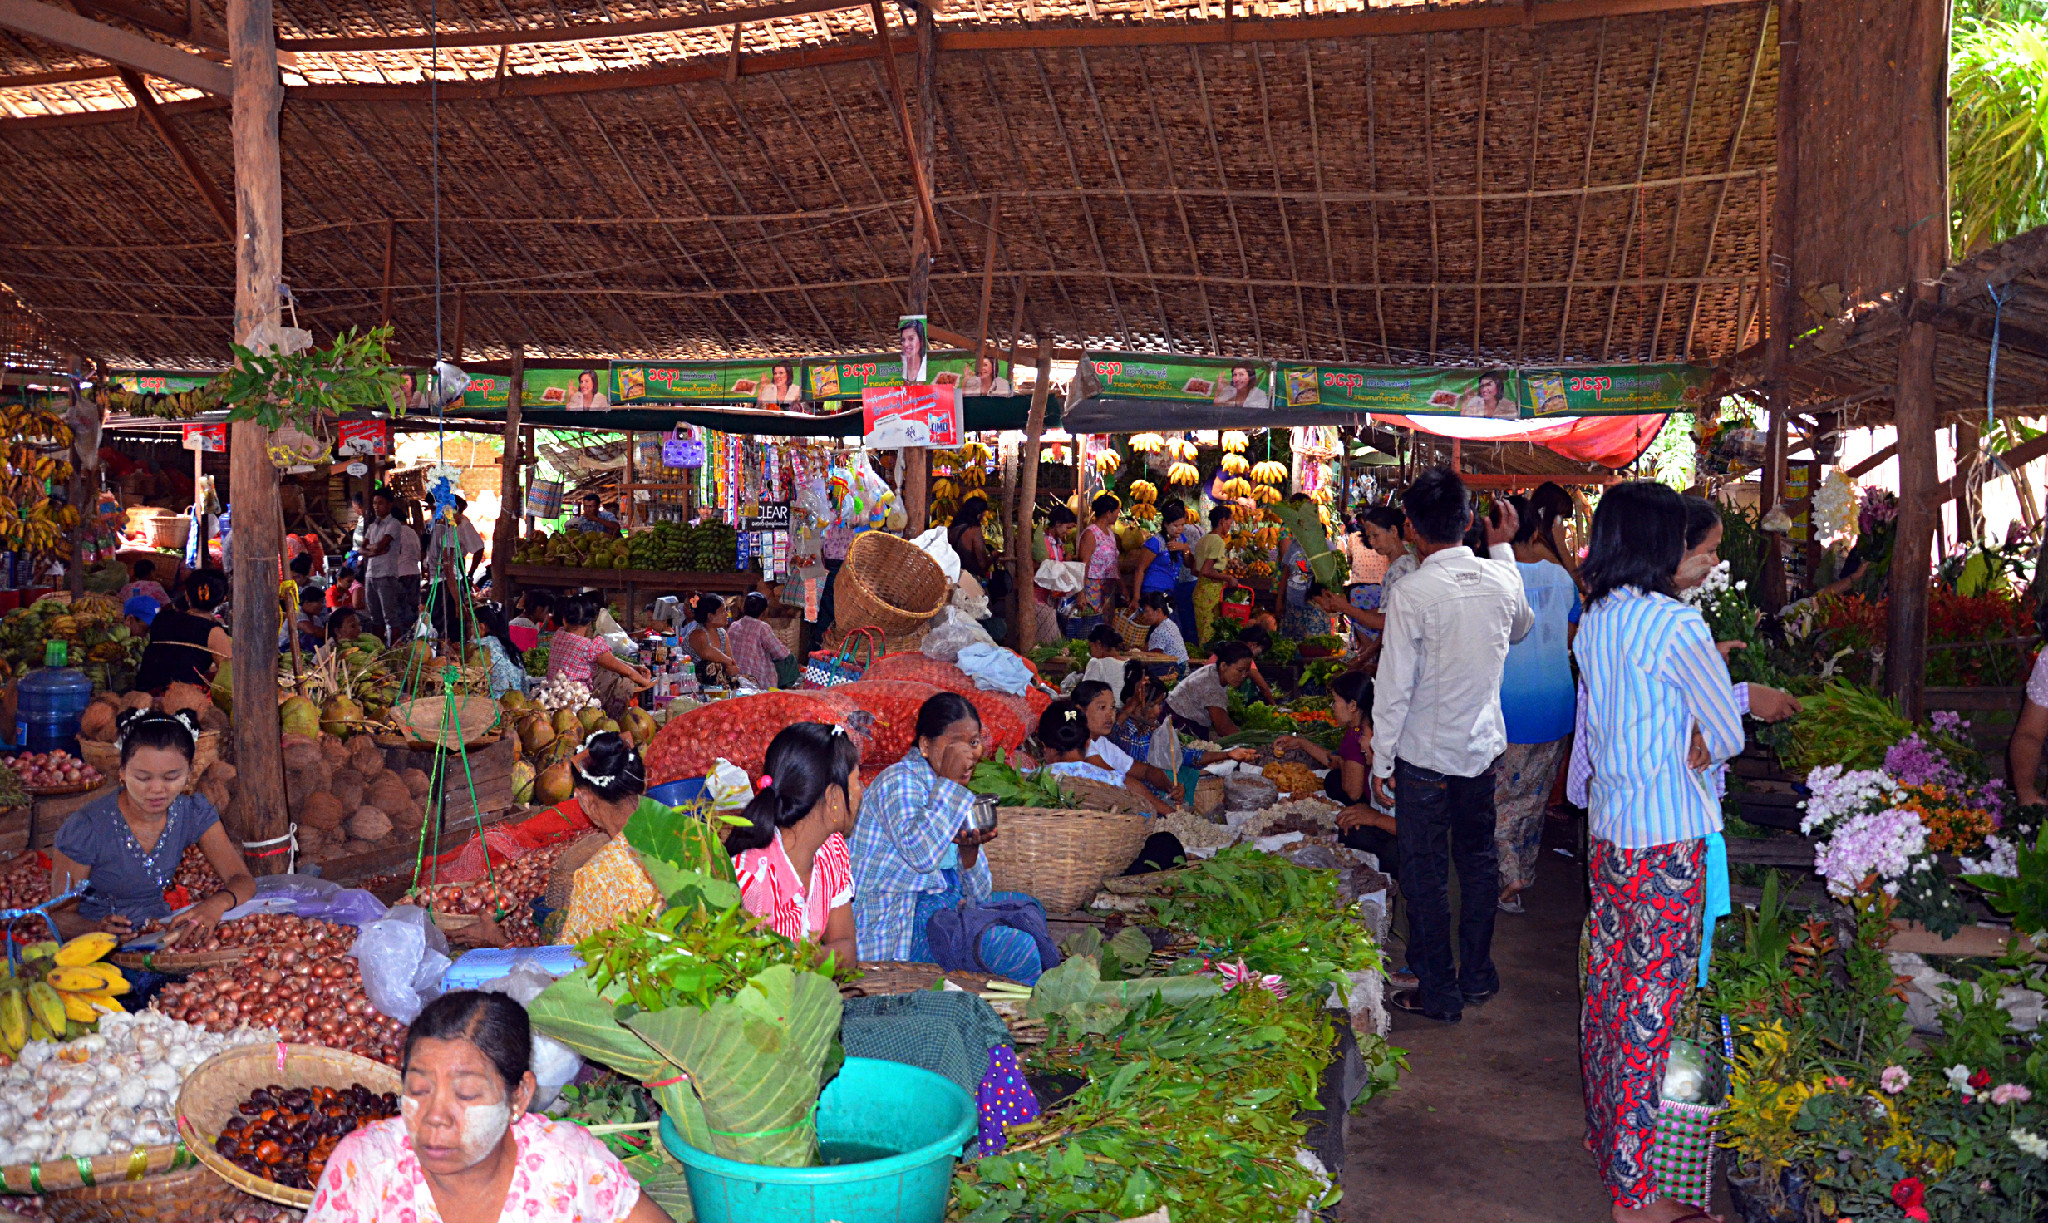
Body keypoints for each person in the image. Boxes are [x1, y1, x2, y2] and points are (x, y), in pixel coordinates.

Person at [1569, 482, 1745, 1223]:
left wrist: (1691, 731)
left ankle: (1612, 1141)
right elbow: (1727, 732)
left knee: (1610, 995)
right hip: (1669, 841)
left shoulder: (1595, 623)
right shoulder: (1676, 627)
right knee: (1654, 1004)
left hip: (1610, 835)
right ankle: (1638, 1198)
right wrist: (1703, 735)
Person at [1369, 467, 1532, 1024]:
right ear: (1469, 521)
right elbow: (1521, 629)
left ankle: (1440, 990)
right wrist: (1504, 552)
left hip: (1423, 759)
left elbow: (1393, 687)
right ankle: (1478, 975)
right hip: (1480, 753)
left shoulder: (1412, 593)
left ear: (1411, 528)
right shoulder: (1501, 581)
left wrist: (1380, 759)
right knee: (1478, 861)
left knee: (1426, 872)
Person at [305, 990, 670, 1223]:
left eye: (465, 1095)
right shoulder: (368, 1167)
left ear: (519, 1096)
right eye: (418, 1089)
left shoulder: (568, 1164)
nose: (435, 1117)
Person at [853, 694, 1050, 982]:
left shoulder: (953, 793)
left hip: (943, 909)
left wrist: (969, 855)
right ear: (925, 745)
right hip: (903, 922)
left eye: (973, 743)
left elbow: (978, 897)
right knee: (1016, 950)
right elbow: (921, 856)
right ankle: (1020, 1017)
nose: (967, 753)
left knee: (1030, 910)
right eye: (954, 743)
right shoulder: (898, 782)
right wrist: (948, 782)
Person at [49, 710, 255, 941]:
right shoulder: (87, 828)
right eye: (143, 778)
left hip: (159, 934)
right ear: (123, 772)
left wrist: (216, 904)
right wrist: (95, 929)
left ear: (189, 773)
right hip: (98, 951)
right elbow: (57, 917)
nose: (157, 789)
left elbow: (242, 879)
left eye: (170, 777)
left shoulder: (192, 812)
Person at [1490, 494, 1582, 915]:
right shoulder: (1563, 578)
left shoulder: (1492, 575)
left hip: (1509, 708)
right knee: (1534, 800)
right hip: (1558, 703)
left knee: (1498, 801)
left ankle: (1511, 878)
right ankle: (1520, 874)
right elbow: (1569, 641)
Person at [728, 722, 860, 965]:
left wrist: (793, 962)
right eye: (856, 783)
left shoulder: (832, 850)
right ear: (833, 798)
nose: (860, 792)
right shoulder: (752, 877)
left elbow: (847, 950)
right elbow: (744, 974)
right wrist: (815, 961)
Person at [1106, 666, 1257, 800]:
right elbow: (1112, 732)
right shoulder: (1122, 730)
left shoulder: (1155, 731)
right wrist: (1131, 703)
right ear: (1134, 705)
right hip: (1130, 799)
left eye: (1160, 704)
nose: (1158, 711)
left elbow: (1186, 755)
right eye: (1153, 705)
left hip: (1157, 797)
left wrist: (1228, 754)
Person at [1059, 685, 1174, 814]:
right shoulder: (1077, 746)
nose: (1110, 715)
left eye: (1112, 707)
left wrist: (1170, 788)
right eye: (1102, 707)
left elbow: (1145, 770)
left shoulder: (1102, 742)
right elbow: (1121, 782)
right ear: (1080, 711)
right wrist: (1169, 813)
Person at [547, 597, 652, 717]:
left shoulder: (558, 635)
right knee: (625, 682)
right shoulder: (590, 647)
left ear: (564, 620)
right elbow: (627, 672)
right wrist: (645, 681)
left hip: (553, 696)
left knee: (606, 671)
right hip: (577, 703)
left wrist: (633, 666)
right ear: (589, 623)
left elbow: (610, 660)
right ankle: (613, 719)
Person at [134, 569, 232, 693]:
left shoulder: (162, 618)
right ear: (223, 599)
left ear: (186, 595)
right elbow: (228, 675)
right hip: (182, 702)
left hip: (144, 696)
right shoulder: (214, 632)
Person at [361, 487, 423, 644]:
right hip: (371, 574)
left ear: (389, 505)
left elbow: (381, 546)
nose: (376, 507)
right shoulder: (372, 526)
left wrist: (375, 549)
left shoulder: (394, 524)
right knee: (375, 616)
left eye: (380, 503)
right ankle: (378, 648)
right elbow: (364, 549)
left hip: (387, 574)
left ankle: (396, 648)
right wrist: (374, 550)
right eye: (374, 503)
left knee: (391, 616)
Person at [1166, 641, 1256, 737]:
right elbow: (1222, 727)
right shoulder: (1210, 684)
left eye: (1247, 671)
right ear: (1223, 666)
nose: (1243, 676)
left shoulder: (1214, 670)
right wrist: (1247, 739)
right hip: (1177, 724)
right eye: (1240, 670)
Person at [1071, 494, 1122, 636]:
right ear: (1108, 513)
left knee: (1105, 625)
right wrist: (1081, 593)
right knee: (1092, 624)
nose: (1118, 516)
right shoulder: (1090, 534)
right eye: (1117, 512)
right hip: (1092, 586)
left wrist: (1122, 587)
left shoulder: (1110, 535)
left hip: (1107, 588)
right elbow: (1084, 563)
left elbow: (1114, 563)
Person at [1030, 504, 1079, 647]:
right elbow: (1034, 566)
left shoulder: (1059, 544)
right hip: (1038, 598)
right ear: (1057, 524)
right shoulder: (1042, 542)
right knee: (1051, 640)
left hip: (1052, 599)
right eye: (1067, 527)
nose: (1068, 532)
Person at [726, 591, 792, 690]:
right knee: (790, 660)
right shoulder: (762, 627)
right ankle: (786, 689)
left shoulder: (734, 625)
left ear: (744, 608)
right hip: (757, 682)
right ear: (765, 611)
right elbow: (782, 654)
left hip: (735, 677)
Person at [1191, 504, 1234, 644]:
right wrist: (1228, 578)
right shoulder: (1217, 541)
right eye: (1230, 521)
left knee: (1203, 636)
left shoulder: (1204, 539)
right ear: (1222, 521)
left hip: (1200, 591)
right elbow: (1205, 570)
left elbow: (1195, 570)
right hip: (1210, 594)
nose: (1230, 525)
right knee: (1209, 638)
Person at [680, 593, 741, 688]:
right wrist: (727, 661)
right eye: (722, 611)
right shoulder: (698, 634)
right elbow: (707, 653)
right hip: (694, 683)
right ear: (710, 616)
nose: (726, 614)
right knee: (711, 666)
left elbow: (731, 661)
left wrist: (730, 666)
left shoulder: (722, 633)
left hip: (720, 682)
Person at [473, 604, 531, 701]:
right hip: (520, 703)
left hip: (493, 706)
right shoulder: (511, 647)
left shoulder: (478, 646)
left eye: (472, 624)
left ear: (481, 627)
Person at [428, 497, 485, 585]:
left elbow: (479, 548)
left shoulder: (463, 525)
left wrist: (470, 575)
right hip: (438, 571)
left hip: (453, 568)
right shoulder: (440, 524)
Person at [1135, 590, 1186, 665]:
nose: (1144, 616)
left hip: (1174, 669)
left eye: (1146, 612)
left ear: (1158, 611)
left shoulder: (1160, 631)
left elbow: (1154, 657)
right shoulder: (1170, 624)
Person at [949, 495, 992, 582]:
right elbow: (982, 563)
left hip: (953, 578)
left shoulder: (952, 529)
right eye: (983, 515)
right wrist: (993, 556)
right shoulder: (974, 530)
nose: (983, 518)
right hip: (970, 581)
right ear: (978, 515)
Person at [1077, 623, 1129, 690]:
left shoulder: (1097, 663)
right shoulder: (1129, 663)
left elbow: (1085, 693)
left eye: (1091, 647)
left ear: (1099, 644)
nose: (1091, 654)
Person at [899, 317, 929, 384]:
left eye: (911, 338)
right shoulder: (902, 372)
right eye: (903, 340)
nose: (906, 344)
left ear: (921, 340)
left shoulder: (928, 370)